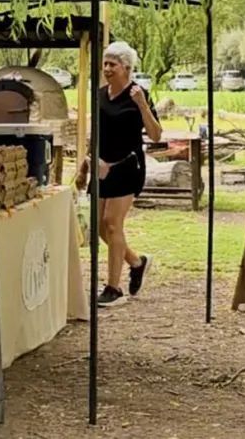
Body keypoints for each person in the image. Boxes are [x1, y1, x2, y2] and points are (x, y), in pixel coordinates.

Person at [76, 41, 162, 307]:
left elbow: (157, 134)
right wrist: (84, 167)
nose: (107, 69)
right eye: (105, 64)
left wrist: (142, 105)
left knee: (113, 224)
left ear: (127, 67)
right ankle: (136, 263)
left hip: (127, 166)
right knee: (100, 227)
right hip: (101, 167)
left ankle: (113, 288)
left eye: (113, 64)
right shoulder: (100, 94)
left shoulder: (138, 94)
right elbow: (96, 134)